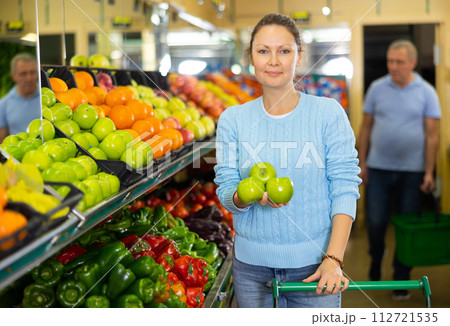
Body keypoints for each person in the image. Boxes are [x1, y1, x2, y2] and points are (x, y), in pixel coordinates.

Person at [213, 13, 361, 308]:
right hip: (250, 272)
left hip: (316, 269)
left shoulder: (327, 114)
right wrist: (245, 195)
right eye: (263, 51)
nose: (274, 61)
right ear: (251, 58)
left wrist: (333, 258)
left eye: (284, 51)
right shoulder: (233, 120)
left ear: (299, 56)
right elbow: (226, 190)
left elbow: (345, 187)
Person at [358, 39, 441, 301]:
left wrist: (429, 172)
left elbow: (432, 136)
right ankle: (376, 255)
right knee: (376, 221)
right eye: (390, 61)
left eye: (399, 62)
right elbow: (366, 128)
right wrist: (362, 163)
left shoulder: (427, 92)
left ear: (413, 63)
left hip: (412, 171)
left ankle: (401, 278)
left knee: (407, 226)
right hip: (379, 168)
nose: (393, 67)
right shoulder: (376, 88)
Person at [0, 52, 41, 142]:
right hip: (17, 154)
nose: (29, 78)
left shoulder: (46, 98)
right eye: (23, 74)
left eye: (32, 72)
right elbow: (2, 144)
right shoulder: (3, 104)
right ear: (13, 76)